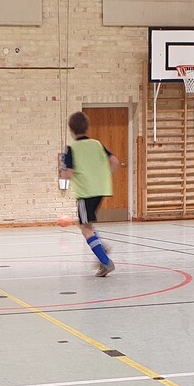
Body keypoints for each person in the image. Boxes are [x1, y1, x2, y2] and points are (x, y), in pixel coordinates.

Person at [58, 111, 118, 276]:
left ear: (71, 130)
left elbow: (68, 174)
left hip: (85, 192)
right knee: (84, 224)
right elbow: (114, 161)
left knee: (85, 229)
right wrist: (104, 176)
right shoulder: (97, 144)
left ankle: (105, 262)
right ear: (87, 127)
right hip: (101, 190)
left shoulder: (72, 148)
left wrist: (63, 169)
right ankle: (101, 247)